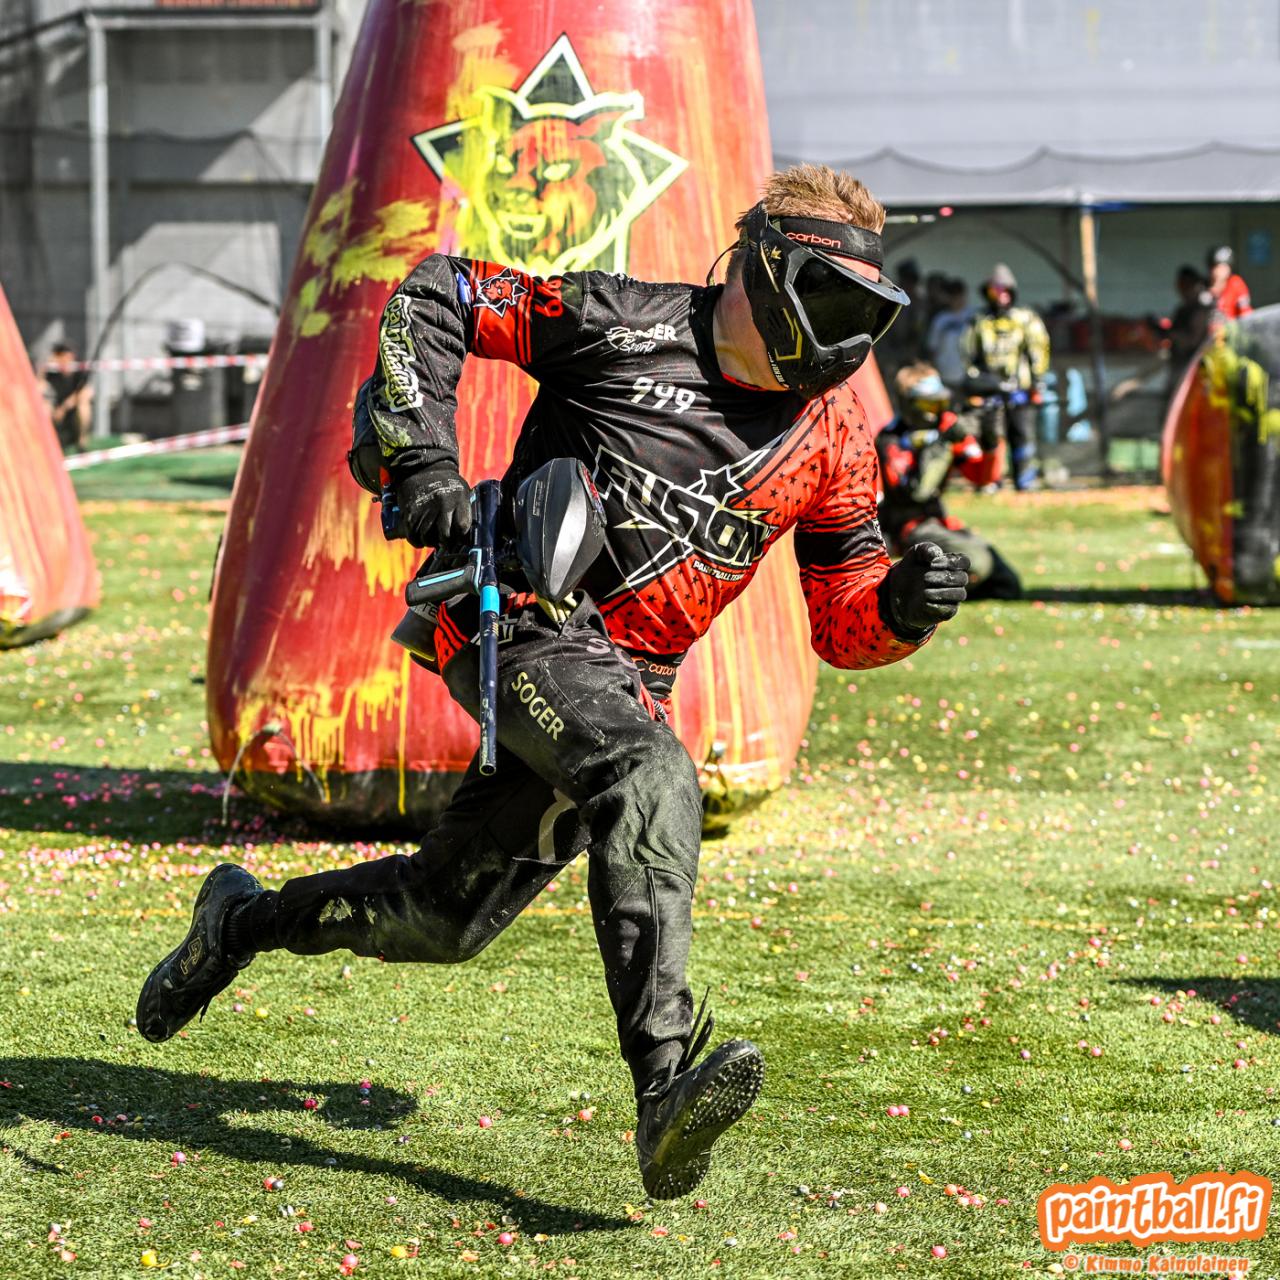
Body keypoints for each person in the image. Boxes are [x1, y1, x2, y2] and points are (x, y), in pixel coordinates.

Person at [136, 164, 971, 1199]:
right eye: (831, 304)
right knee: (649, 773)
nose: (846, 341)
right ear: (761, 270)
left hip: (627, 683)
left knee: (443, 916)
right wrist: (420, 461)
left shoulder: (833, 432)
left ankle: (237, 923)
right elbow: (439, 292)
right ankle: (665, 1084)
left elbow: (842, 619)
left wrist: (901, 608)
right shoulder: (622, 324)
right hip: (518, 619)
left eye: (865, 317)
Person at [878, 364, 1021, 600]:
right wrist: (943, 443)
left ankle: (939, 589)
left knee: (1007, 584)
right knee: (979, 564)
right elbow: (916, 492)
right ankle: (908, 592)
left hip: (937, 523)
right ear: (908, 404)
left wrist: (992, 443)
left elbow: (983, 477)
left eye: (941, 403)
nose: (937, 413)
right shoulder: (890, 439)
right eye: (929, 405)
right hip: (905, 528)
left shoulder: (945, 428)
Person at [960, 263, 1050, 491]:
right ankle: (991, 480)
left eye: (1005, 290)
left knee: (1022, 435)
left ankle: (1025, 481)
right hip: (991, 391)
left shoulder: (1026, 318)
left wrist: (1037, 383)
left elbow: (1038, 350)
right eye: (995, 290)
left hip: (1020, 390)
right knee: (992, 437)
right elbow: (968, 355)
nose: (1001, 295)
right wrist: (979, 384)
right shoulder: (979, 321)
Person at [1163, 265, 1213, 401]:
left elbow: (1193, 340)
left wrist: (1170, 334)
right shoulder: (1184, 308)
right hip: (1180, 367)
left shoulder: (1201, 308)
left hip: (1193, 369)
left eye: (1183, 285)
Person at [41, 343, 93, 450]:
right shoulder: (52, 372)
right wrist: (45, 367)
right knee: (45, 407)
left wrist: (63, 409)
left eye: (67, 357)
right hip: (55, 408)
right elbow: (38, 386)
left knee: (84, 406)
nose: (65, 361)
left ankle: (82, 440)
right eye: (61, 358)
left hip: (71, 411)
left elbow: (85, 393)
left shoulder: (78, 371)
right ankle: (46, 441)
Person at [924, 277, 973, 388]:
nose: (957, 299)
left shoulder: (973, 316)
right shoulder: (940, 319)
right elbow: (932, 348)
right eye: (953, 296)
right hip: (944, 375)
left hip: (968, 378)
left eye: (959, 295)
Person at [1206, 245, 1253, 324]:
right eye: (1217, 267)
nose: (1220, 271)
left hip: (1232, 328)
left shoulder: (1235, 283)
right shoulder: (1203, 287)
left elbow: (1246, 312)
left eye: (1224, 266)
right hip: (1210, 329)